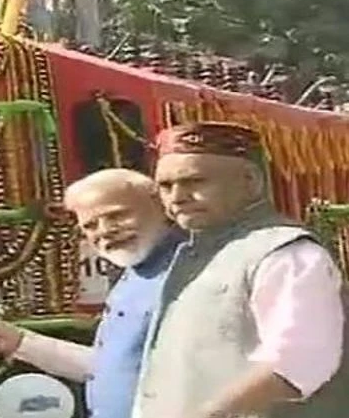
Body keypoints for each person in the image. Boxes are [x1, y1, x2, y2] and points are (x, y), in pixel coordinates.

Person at [133, 121, 348, 418]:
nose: (177, 196)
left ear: (250, 181)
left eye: (195, 181)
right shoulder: (189, 253)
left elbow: (297, 361)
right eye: (165, 186)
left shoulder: (286, 252)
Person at [0, 168, 184, 418]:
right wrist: (19, 343)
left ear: (159, 204)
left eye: (117, 215)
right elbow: (109, 367)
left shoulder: (194, 271)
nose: (105, 231)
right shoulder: (134, 276)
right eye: (90, 225)